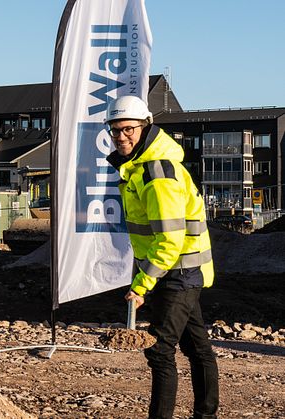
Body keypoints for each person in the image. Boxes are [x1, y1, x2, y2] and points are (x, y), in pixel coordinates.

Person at [105, 95, 219, 419]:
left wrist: (142, 285)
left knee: (159, 350)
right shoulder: (140, 168)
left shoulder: (156, 174)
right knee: (197, 348)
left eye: (128, 129)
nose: (121, 136)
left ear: (145, 126)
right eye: (115, 131)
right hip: (176, 271)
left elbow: (170, 239)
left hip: (179, 273)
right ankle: (207, 413)